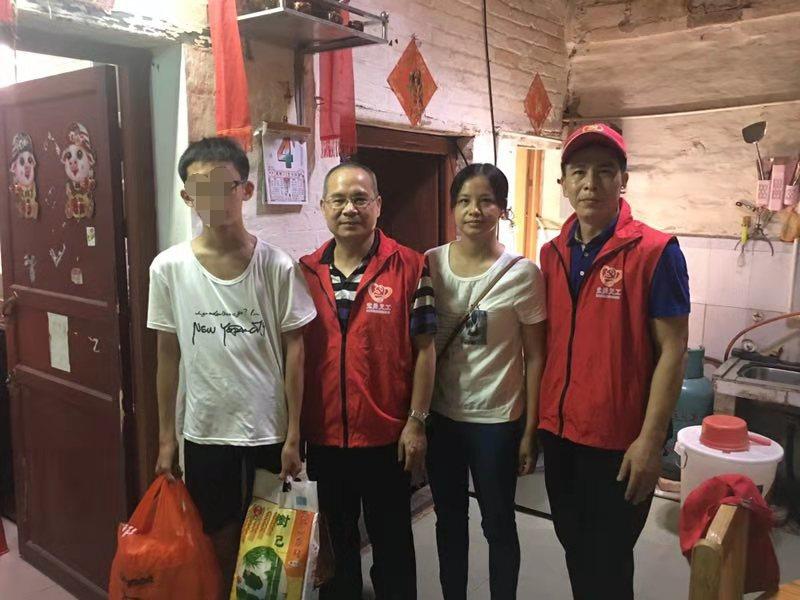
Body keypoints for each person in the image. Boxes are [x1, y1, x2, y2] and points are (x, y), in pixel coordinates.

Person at [148, 137, 317, 593]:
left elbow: (296, 352)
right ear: (187, 196)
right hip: (205, 429)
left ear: (246, 190)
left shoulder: (277, 266)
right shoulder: (168, 268)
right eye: (200, 189)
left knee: (271, 539)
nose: (214, 199)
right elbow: (167, 355)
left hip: (269, 427)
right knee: (216, 536)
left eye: (225, 187)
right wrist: (166, 438)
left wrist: (294, 434)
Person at [538, 123, 690, 599]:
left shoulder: (656, 251)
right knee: (575, 548)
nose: (591, 183)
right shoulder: (551, 254)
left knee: (608, 562)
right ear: (563, 182)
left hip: (620, 442)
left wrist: (650, 441)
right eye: (579, 172)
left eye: (605, 171)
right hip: (559, 435)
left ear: (623, 180)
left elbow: (673, 350)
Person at [299, 162, 436, 600]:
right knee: (336, 547)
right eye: (338, 200)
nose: (349, 209)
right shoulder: (304, 272)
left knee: (392, 544)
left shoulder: (410, 266)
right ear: (323, 207)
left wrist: (416, 421)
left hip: (386, 437)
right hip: (324, 438)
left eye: (360, 199)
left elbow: (426, 349)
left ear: (378, 205)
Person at [425, 164, 547, 600]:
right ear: (453, 208)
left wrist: (530, 430)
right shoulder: (430, 263)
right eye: (464, 201)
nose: (474, 210)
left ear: (502, 209)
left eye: (486, 201)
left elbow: (536, 355)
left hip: (497, 422)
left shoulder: (522, 274)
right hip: (442, 417)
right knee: (448, 520)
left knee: (498, 523)